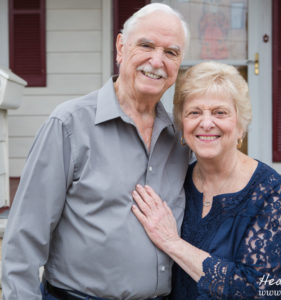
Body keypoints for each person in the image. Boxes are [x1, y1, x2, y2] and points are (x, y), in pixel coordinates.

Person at [2, 4, 192, 300]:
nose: (157, 61)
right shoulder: (68, 125)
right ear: (120, 47)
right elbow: (24, 237)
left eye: (171, 52)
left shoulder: (181, 140)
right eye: (146, 45)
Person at [132, 61, 281, 299]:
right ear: (182, 123)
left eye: (220, 112)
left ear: (240, 125)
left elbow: (261, 290)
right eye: (195, 112)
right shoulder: (178, 181)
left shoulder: (269, 191)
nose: (206, 123)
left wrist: (172, 242)